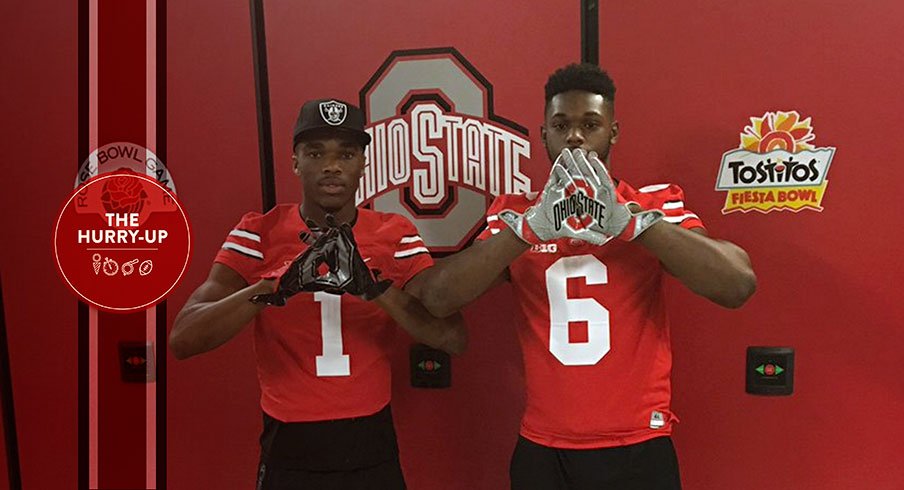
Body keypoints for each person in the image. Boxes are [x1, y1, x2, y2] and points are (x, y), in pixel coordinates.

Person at [410, 64, 757, 489]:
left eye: (590, 124)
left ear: (612, 132)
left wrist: (635, 225)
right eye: (561, 125)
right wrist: (529, 231)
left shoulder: (653, 204)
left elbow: (737, 283)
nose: (574, 136)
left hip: (638, 444)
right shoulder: (514, 215)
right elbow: (439, 298)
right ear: (543, 135)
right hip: (544, 448)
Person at [169, 98, 467, 490]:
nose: (331, 166)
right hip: (290, 447)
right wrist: (273, 286)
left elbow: (452, 337)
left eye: (346, 153)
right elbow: (183, 339)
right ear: (295, 162)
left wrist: (374, 289)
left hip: (371, 442)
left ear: (363, 163)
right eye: (315, 153)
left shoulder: (393, 233)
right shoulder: (259, 232)